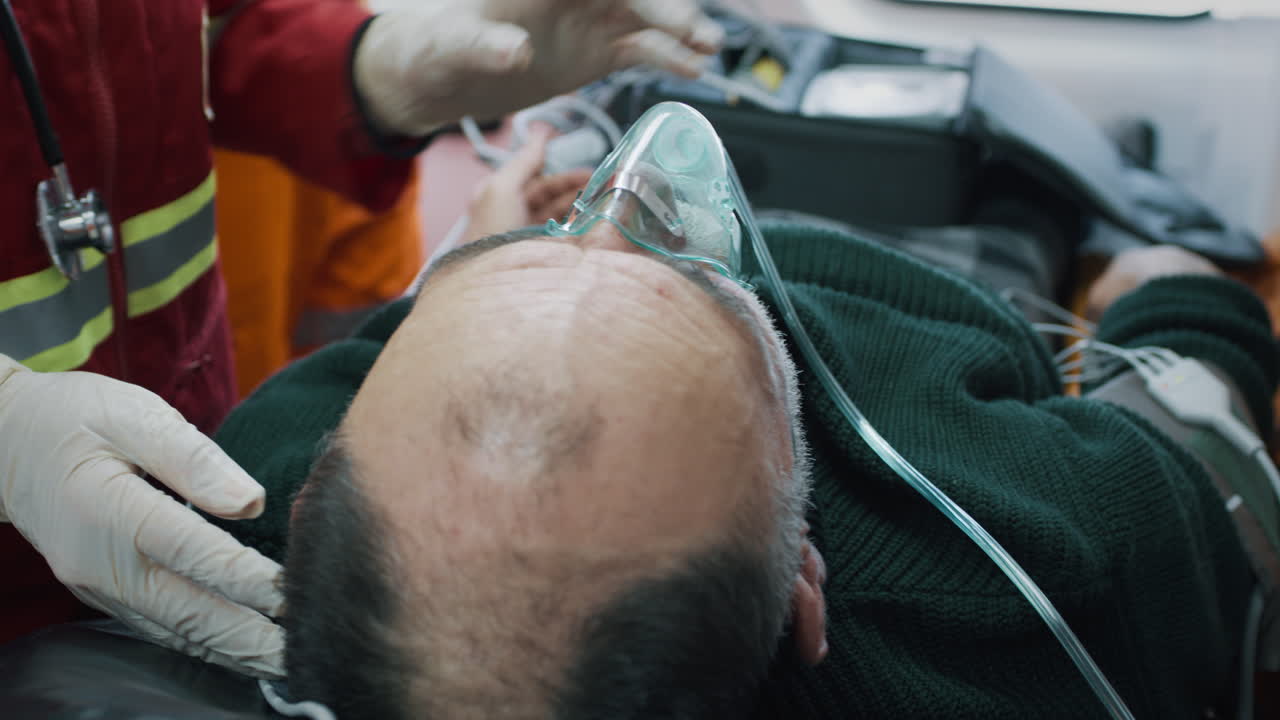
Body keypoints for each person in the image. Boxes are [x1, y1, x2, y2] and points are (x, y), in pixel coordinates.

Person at [206, 121, 1279, 718]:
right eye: (695, 289)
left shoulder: (246, 482)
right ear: (802, 584)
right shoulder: (1066, 542)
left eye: (526, 263)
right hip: (956, 276)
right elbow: (1203, 430)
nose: (627, 194)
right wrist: (1162, 284)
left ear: (317, 493)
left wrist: (468, 253)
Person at [0, 0, 724, 676]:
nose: (599, 230)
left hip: (197, 462)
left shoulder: (277, 461)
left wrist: (360, 67)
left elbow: (196, 35)